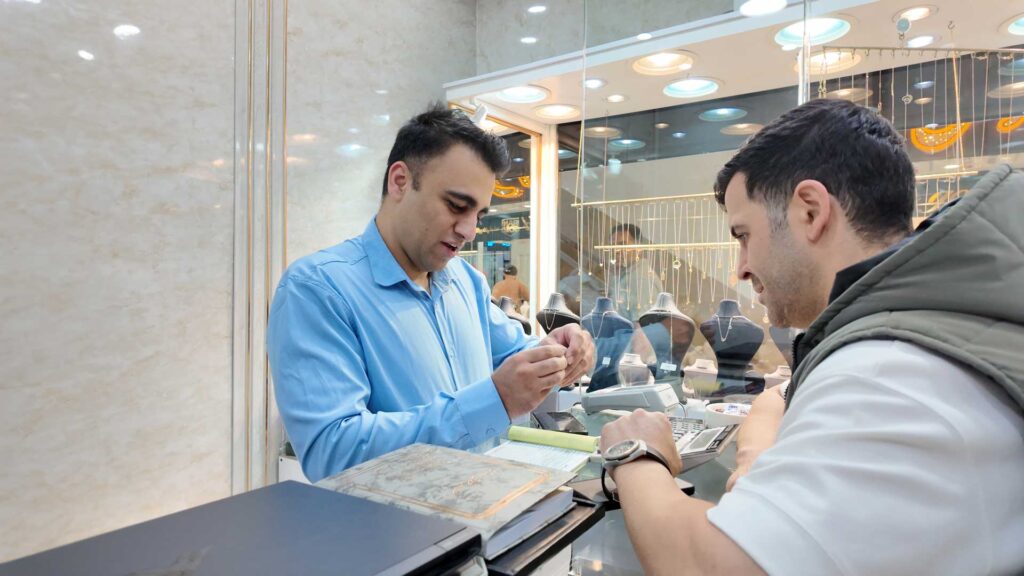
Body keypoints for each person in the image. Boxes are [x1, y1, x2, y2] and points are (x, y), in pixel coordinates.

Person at [599, 99, 1024, 574]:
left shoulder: (884, 374)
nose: (741, 268)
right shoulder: (927, 329)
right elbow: (781, 396)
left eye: (744, 235)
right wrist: (757, 462)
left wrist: (636, 454)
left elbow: (708, 567)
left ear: (811, 211)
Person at [268, 104, 595, 482]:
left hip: (486, 505)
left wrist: (559, 353)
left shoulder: (466, 282)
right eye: (456, 206)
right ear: (400, 181)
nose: (469, 230)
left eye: (479, 215)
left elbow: (515, 355)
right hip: (390, 521)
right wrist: (495, 401)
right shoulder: (317, 289)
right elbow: (334, 452)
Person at [606, 223, 663, 322]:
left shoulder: (641, 280)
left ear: (639, 248)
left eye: (622, 245)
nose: (616, 251)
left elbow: (644, 326)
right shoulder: (625, 275)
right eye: (612, 246)